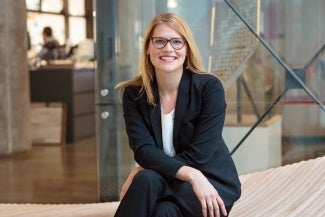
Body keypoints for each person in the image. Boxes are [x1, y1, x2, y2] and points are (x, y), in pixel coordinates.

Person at [114, 12, 241, 217]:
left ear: (187, 48)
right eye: (160, 41)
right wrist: (189, 173)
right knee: (163, 211)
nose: (168, 48)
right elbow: (143, 150)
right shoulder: (134, 94)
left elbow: (200, 155)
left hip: (208, 186)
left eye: (176, 42)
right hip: (179, 179)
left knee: (146, 180)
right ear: (147, 47)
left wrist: (147, 169)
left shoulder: (209, 88)